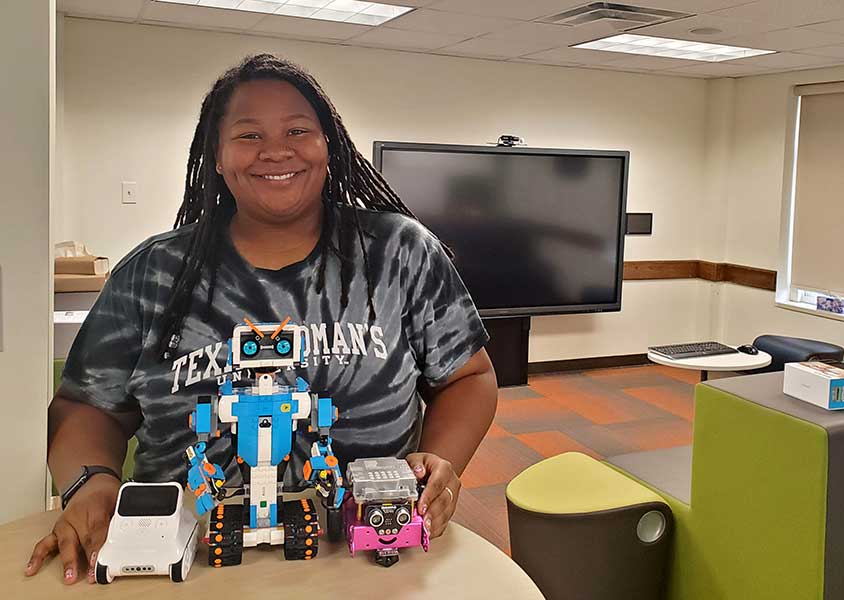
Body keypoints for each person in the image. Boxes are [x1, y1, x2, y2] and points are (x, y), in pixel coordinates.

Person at [26, 53, 497, 584]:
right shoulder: (152, 275)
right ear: (218, 157)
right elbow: (86, 407)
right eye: (249, 135)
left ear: (329, 146)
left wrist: (438, 464)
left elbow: (470, 377)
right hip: (179, 562)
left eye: (299, 129)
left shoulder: (399, 254)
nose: (276, 149)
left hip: (369, 561)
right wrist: (92, 482)